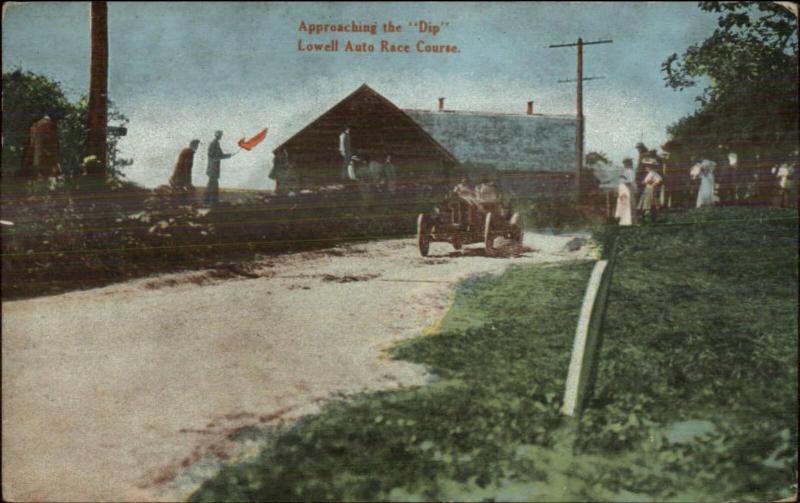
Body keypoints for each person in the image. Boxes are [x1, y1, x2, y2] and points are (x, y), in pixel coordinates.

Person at [205, 130, 236, 206]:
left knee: (212, 185)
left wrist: (230, 155)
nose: (221, 136)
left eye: (221, 135)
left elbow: (220, 155)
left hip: (214, 168)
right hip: (212, 167)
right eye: (220, 135)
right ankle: (211, 202)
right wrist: (218, 158)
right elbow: (211, 155)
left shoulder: (216, 143)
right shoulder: (213, 144)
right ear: (217, 135)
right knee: (213, 185)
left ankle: (209, 201)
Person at [615, 158, 638, 226]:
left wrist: (623, 180)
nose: (624, 165)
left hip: (627, 189)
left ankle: (629, 221)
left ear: (629, 163)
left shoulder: (630, 171)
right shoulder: (626, 171)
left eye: (625, 163)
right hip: (623, 189)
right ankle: (623, 220)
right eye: (624, 163)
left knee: (628, 204)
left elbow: (630, 181)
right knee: (623, 204)